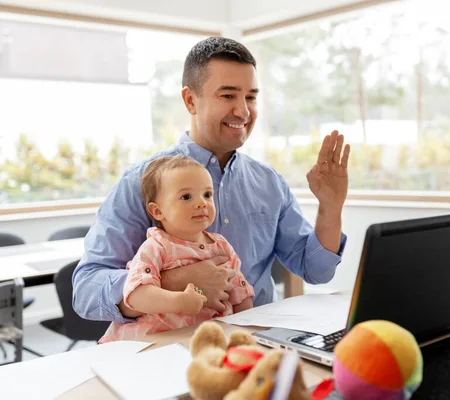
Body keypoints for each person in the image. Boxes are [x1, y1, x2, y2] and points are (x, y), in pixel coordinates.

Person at [73, 36, 351, 324]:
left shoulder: (270, 183)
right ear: (190, 100)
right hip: (172, 350)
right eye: (228, 95)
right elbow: (86, 290)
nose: (243, 111)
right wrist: (173, 282)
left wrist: (331, 207)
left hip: (256, 341)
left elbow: (316, 271)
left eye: (251, 97)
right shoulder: (141, 181)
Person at [98, 155, 254, 342]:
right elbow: (136, 294)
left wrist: (248, 333)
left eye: (207, 194)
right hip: (157, 340)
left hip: (207, 338)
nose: (202, 203)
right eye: (186, 196)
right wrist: (179, 302)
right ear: (157, 211)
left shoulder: (221, 246)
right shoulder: (156, 247)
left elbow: (240, 294)